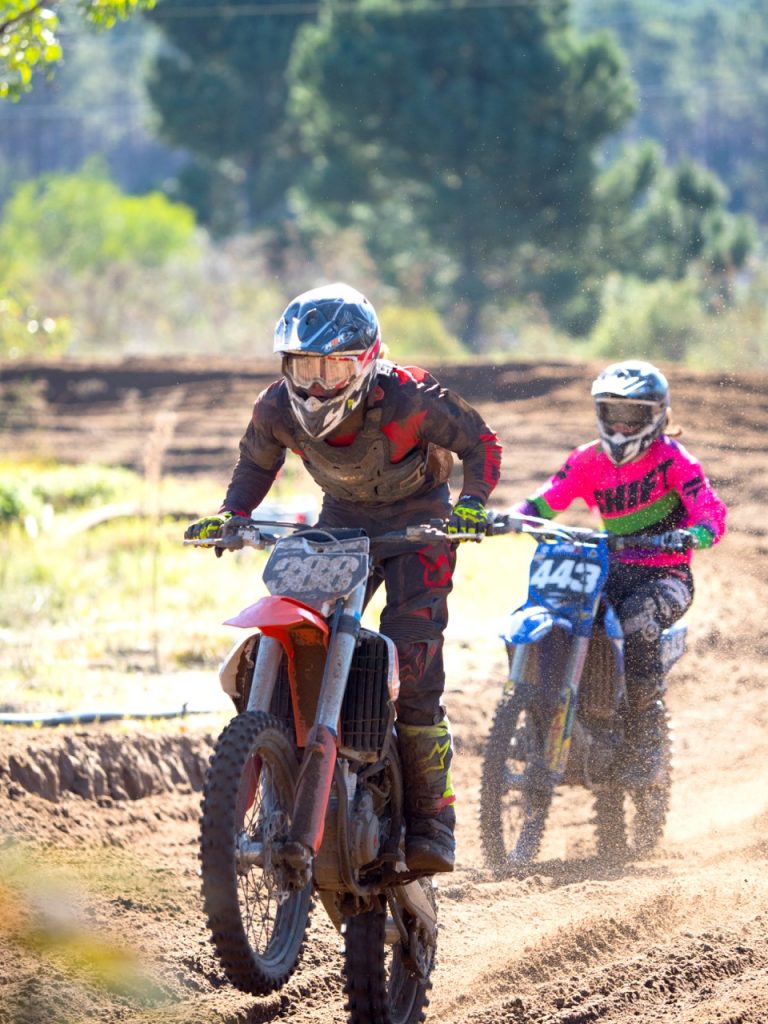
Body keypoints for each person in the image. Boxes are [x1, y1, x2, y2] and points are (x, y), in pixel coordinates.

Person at [185, 282, 502, 872]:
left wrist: (472, 504)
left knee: (412, 661)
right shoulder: (276, 407)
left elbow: (480, 442)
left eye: (333, 365)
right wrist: (233, 516)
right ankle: (279, 761)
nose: (316, 383)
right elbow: (256, 461)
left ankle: (433, 817)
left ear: (365, 361)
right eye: (304, 364)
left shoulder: (411, 398)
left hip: (420, 524)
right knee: (300, 630)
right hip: (343, 520)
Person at [512, 359, 727, 786]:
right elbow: (545, 501)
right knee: (560, 615)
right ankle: (542, 716)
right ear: (600, 414)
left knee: (639, 622)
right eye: (614, 414)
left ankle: (643, 741)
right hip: (607, 570)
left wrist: (692, 536)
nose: (623, 427)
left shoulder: (674, 460)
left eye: (634, 416)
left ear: (657, 416)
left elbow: (711, 512)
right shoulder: (587, 459)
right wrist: (511, 517)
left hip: (664, 577)